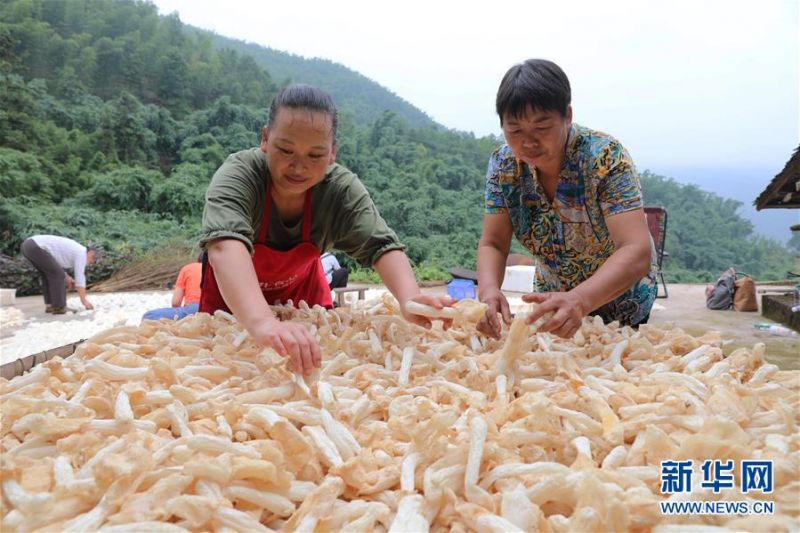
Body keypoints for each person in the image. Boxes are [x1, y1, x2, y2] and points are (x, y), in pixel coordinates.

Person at [200, 84, 453, 374]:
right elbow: (224, 246)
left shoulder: (340, 189)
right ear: (265, 139)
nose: (298, 166)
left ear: (332, 153)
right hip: (232, 313)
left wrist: (410, 299)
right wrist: (262, 323)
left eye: (315, 155)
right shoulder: (239, 175)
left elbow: (381, 245)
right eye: (285, 149)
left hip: (305, 306)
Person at [477, 59, 657, 340]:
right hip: (552, 306)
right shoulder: (504, 165)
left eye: (542, 128)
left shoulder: (604, 157)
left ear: (567, 116)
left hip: (622, 302)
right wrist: (488, 291)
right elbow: (494, 243)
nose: (528, 143)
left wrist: (581, 300)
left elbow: (636, 250)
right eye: (515, 131)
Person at [20, 235, 96, 313]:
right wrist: (84, 301)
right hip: (35, 246)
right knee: (58, 275)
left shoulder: (77, 250)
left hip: (28, 245)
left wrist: (66, 277)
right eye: (92, 260)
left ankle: (51, 305)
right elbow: (80, 278)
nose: (90, 264)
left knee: (48, 274)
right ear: (90, 253)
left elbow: (53, 265)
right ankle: (59, 307)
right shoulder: (81, 254)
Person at [142, 255, 203, 321]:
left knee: (149, 316)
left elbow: (175, 303)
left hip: (194, 309)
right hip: (214, 310)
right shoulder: (214, 268)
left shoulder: (188, 268)